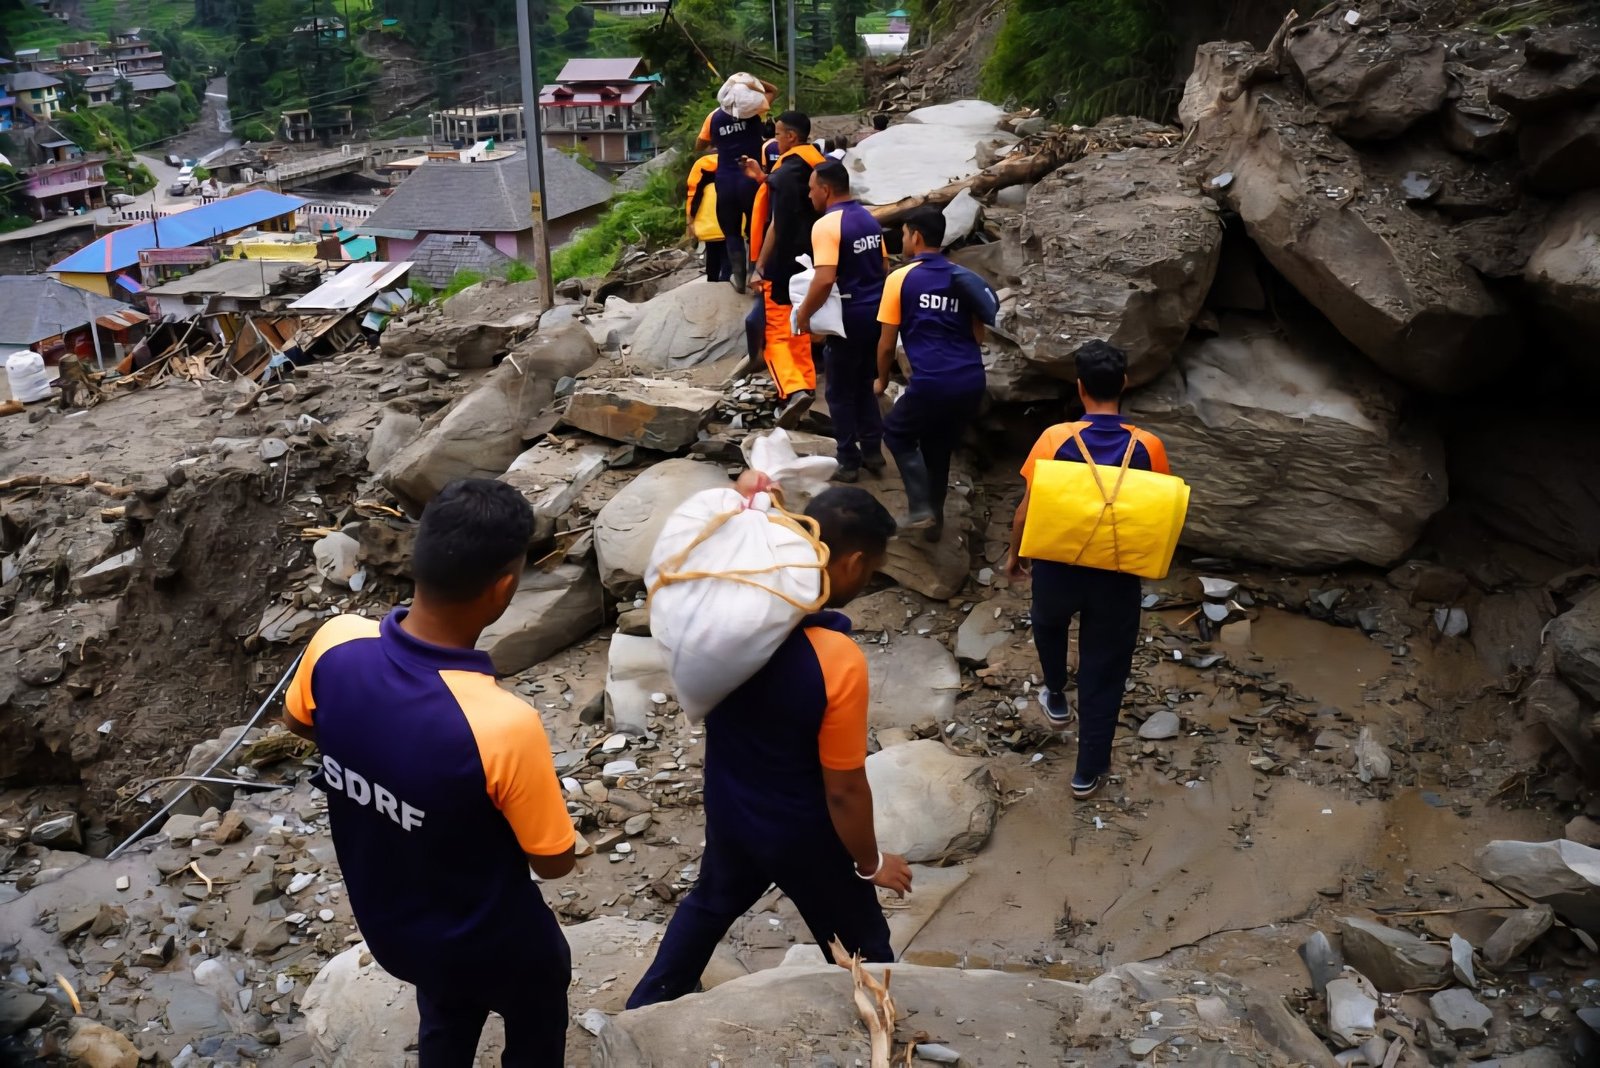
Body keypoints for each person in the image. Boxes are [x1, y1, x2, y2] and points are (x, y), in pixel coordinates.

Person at [282, 480, 577, 1065]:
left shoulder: (335, 641)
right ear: (504, 587)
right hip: (492, 937)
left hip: (394, 925)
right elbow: (554, 861)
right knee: (539, 1005)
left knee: (445, 1009)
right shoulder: (501, 723)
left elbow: (300, 724)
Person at [626, 486, 914, 1008]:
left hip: (733, 808)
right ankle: (885, 1031)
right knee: (864, 946)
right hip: (806, 836)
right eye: (872, 569)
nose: (869, 579)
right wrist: (871, 863)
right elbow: (845, 787)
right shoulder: (836, 658)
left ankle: (644, 1008)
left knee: (710, 905)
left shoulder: (722, 622)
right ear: (850, 563)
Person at [1005, 341, 1169, 800]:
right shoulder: (1148, 445)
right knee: (1105, 670)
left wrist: (1014, 555)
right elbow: (1155, 511)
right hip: (1116, 574)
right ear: (1124, 383)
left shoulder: (1055, 439)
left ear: (1079, 387)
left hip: (1058, 566)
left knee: (1049, 625)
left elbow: (1025, 509)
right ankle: (1087, 772)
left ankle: (1056, 693)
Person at [875, 207, 998, 538]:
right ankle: (935, 524)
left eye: (903, 234)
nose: (902, 240)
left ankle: (920, 509)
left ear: (915, 236)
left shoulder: (900, 279)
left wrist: (882, 380)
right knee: (938, 444)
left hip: (932, 382)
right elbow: (977, 335)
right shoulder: (961, 277)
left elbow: (887, 345)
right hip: (971, 380)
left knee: (897, 433)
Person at [794, 160, 887, 483]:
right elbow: (883, 265)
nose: (809, 196)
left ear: (826, 189)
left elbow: (823, 280)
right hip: (876, 312)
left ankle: (848, 460)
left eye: (811, 189)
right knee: (863, 382)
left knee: (838, 392)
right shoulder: (868, 219)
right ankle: (874, 451)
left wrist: (803, 315)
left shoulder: (827, 225)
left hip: (848, 316)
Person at [744, 112, 826, 428]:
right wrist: (764, 178)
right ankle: (804, 385)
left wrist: (760, 266)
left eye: (778, 134)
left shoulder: (789, 171)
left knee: (776, 330)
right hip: (816, 257)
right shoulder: (816, 162)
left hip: (786, 262)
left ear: (791, 136)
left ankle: (792, 389)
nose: (775, 139)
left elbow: (778, 222)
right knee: (799, 326)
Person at [697, 79, 777, 293]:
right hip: (751, 179)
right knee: (755, 227)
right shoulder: (755, 110)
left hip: (725, 180)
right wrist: (750, 80)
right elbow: (773, 90)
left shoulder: (713, 117)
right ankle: (755, 274)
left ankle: (739, 279)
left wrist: (719, 141)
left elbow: (700, 144)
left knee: (731, 232)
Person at [686, 151, 729, 283]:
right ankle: (727, 281)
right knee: (728, 255)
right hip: (732, 224)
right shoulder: (734, 165)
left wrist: (690, 222)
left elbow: (693, 198)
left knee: (712, 255)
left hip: (709, 225)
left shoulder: (701, 166)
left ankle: (712, 281)